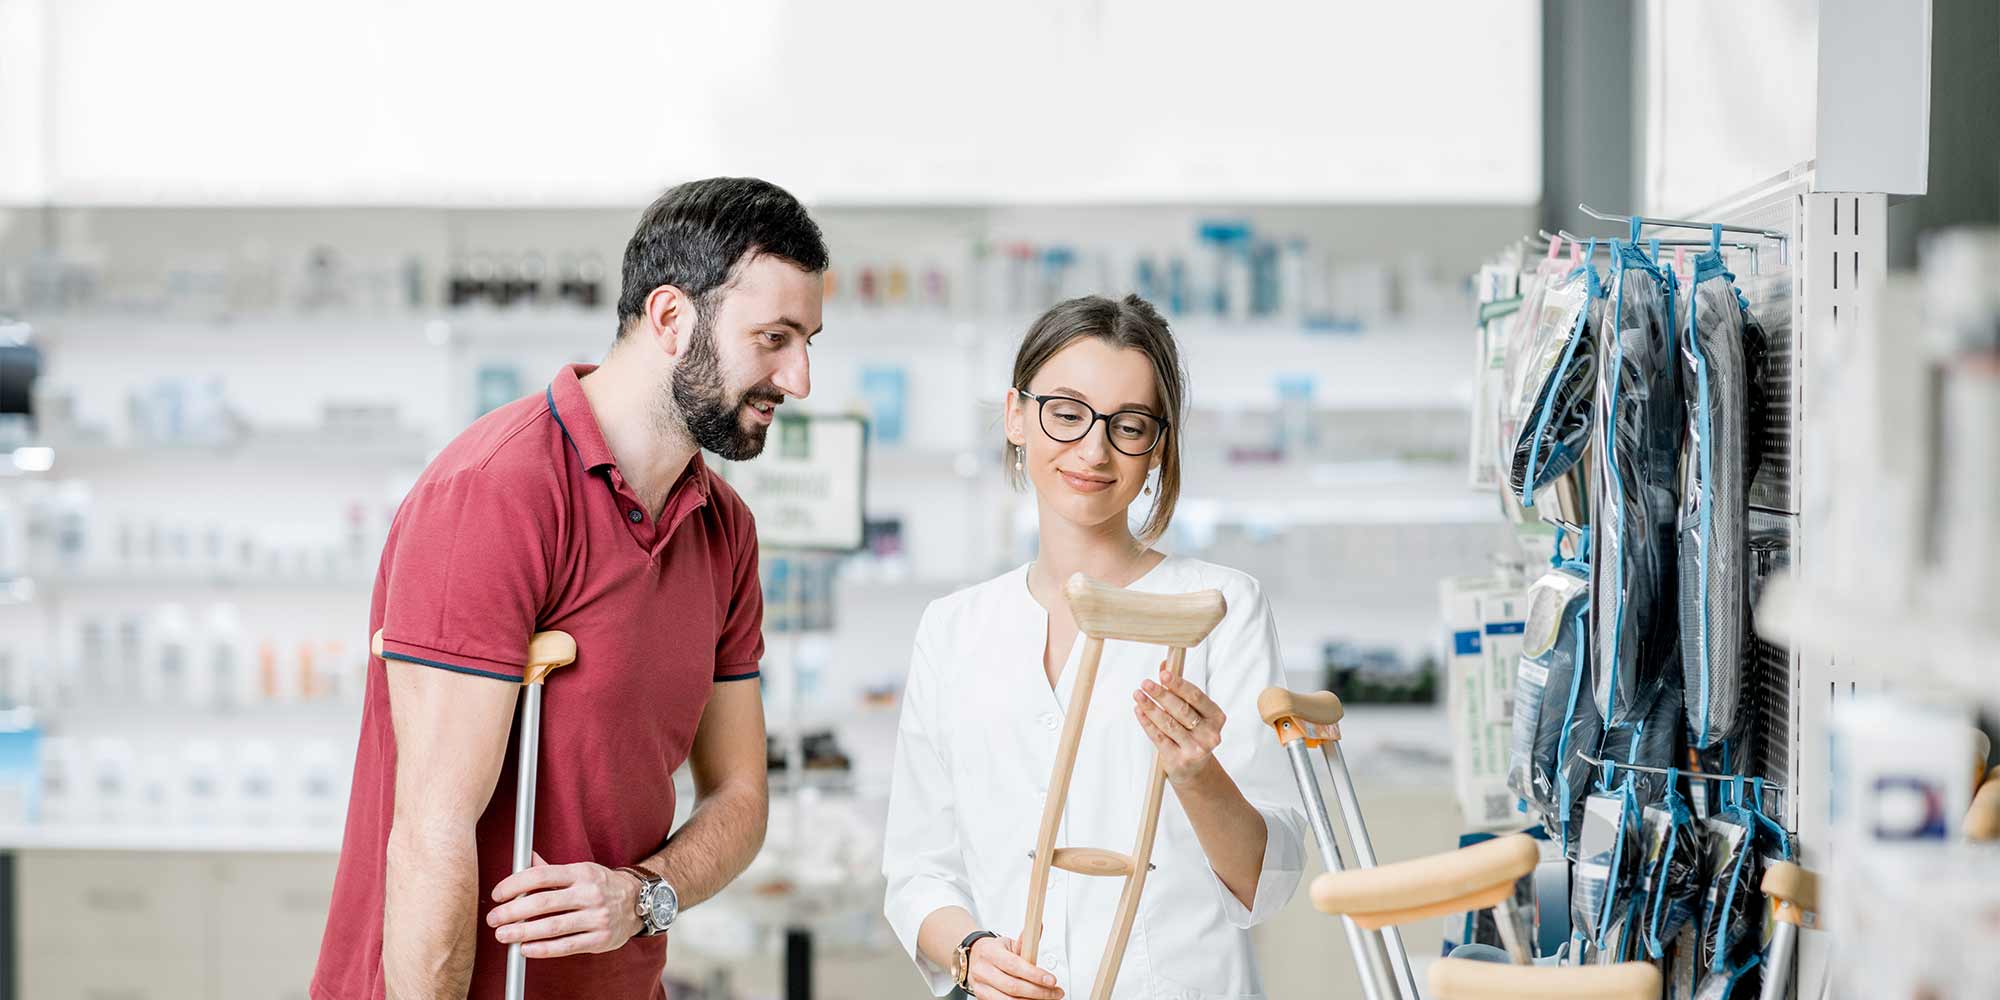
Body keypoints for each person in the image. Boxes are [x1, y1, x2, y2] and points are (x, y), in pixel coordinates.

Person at [311, 177, 828, 1000]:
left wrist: (644, 896)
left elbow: (739, 794)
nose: (798, 378)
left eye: (808, 342)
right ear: (670, 317)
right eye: (774, 338)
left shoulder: (723, 527)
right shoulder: (497, 493)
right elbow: (429, 834)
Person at [882, 294, 1308, 1000]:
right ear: (1017, 415)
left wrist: (1198, 774)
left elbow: (1269, 881)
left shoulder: (1217, 609)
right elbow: (918, 869)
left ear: (1158, 446)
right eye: (1067, 412)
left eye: (1129, 425)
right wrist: (970, 952)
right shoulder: (954, 628)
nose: (1093, 450)